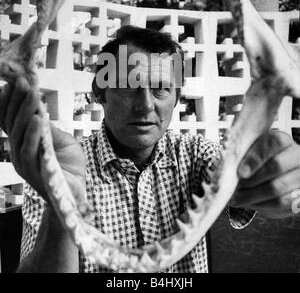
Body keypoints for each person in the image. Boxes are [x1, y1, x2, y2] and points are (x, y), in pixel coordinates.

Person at [0, 25, 300, 273]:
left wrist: (271, 174)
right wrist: (62, 202)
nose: (145, 105)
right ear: (100, 94)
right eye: (128, 87)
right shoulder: (61, 168)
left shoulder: (195, 155)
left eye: (160, 89)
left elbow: (239, 180)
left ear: (176, 96)